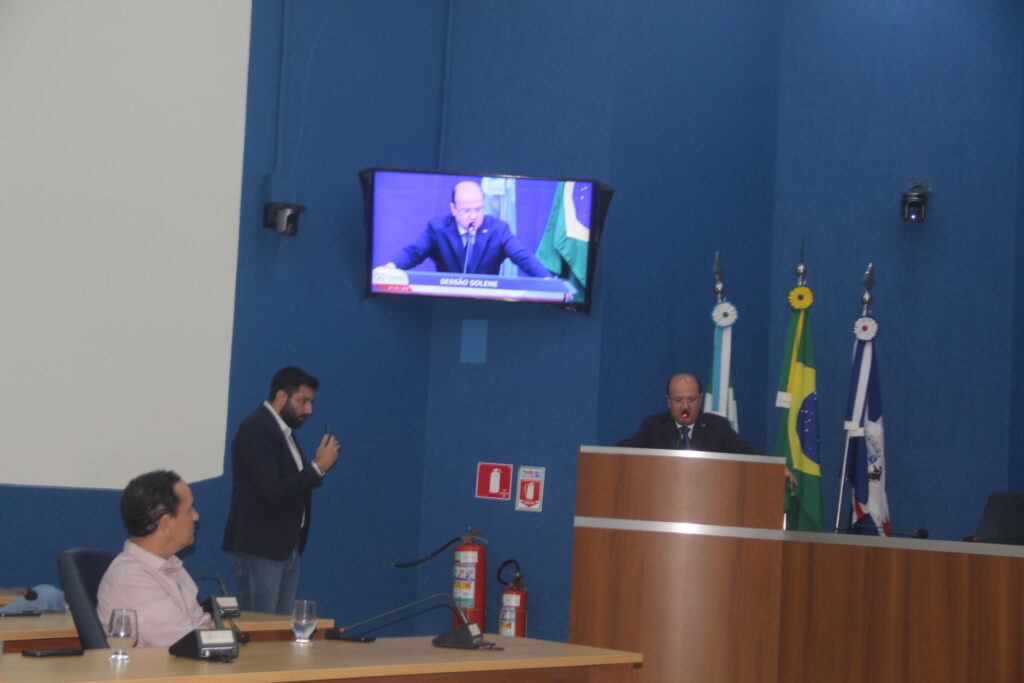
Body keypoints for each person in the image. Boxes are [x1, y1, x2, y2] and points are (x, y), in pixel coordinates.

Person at [221, 366, 340, 615]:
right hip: (260, 548)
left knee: (279, 632)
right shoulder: (256, 428)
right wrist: (318, 468)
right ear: (281, 396)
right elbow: (273, 491)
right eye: (303, 401)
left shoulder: (282, 431)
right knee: (260, 632)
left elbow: (292, 486)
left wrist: (316, 469)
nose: (309, 410)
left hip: (285, 547)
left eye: (311, 402)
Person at [96, 470, 211, 647]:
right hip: (160, 672)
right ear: (166, 523)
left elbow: (200, 626)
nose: (196, 516)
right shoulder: (130, 578)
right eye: (189, 510)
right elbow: (183, 642)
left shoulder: (170, 566)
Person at [383, 180, 552, 276]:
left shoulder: (498, 230)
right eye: (467, 211)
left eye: (478, 209)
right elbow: (414, 253)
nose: (473, 216)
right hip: (444, 303)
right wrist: (392, 267)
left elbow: (523, 256)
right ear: (453, 209)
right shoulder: (438, 229)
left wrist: (547, 281)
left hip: (486, 303)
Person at [616, 373, 761, 453]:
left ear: (700, 399)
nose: (685, 406)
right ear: (668, 401)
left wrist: (775, 466)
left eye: (691, 399)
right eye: (678, 400)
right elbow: (628, 448)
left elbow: (745, 450)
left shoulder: (717, 426)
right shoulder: (654, 426)